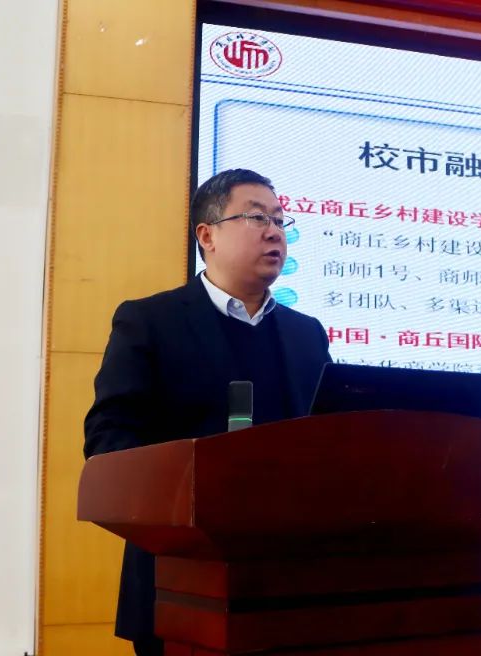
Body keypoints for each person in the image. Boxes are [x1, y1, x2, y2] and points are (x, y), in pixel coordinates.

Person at [84, 169, 333, 656]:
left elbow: (328, 441)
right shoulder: (151, 321)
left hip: (292, 591)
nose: (275, 232)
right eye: (257, 217)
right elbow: (108, 439)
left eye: (280, 220)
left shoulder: (306, 334)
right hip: (178, 587)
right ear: (207, 235)